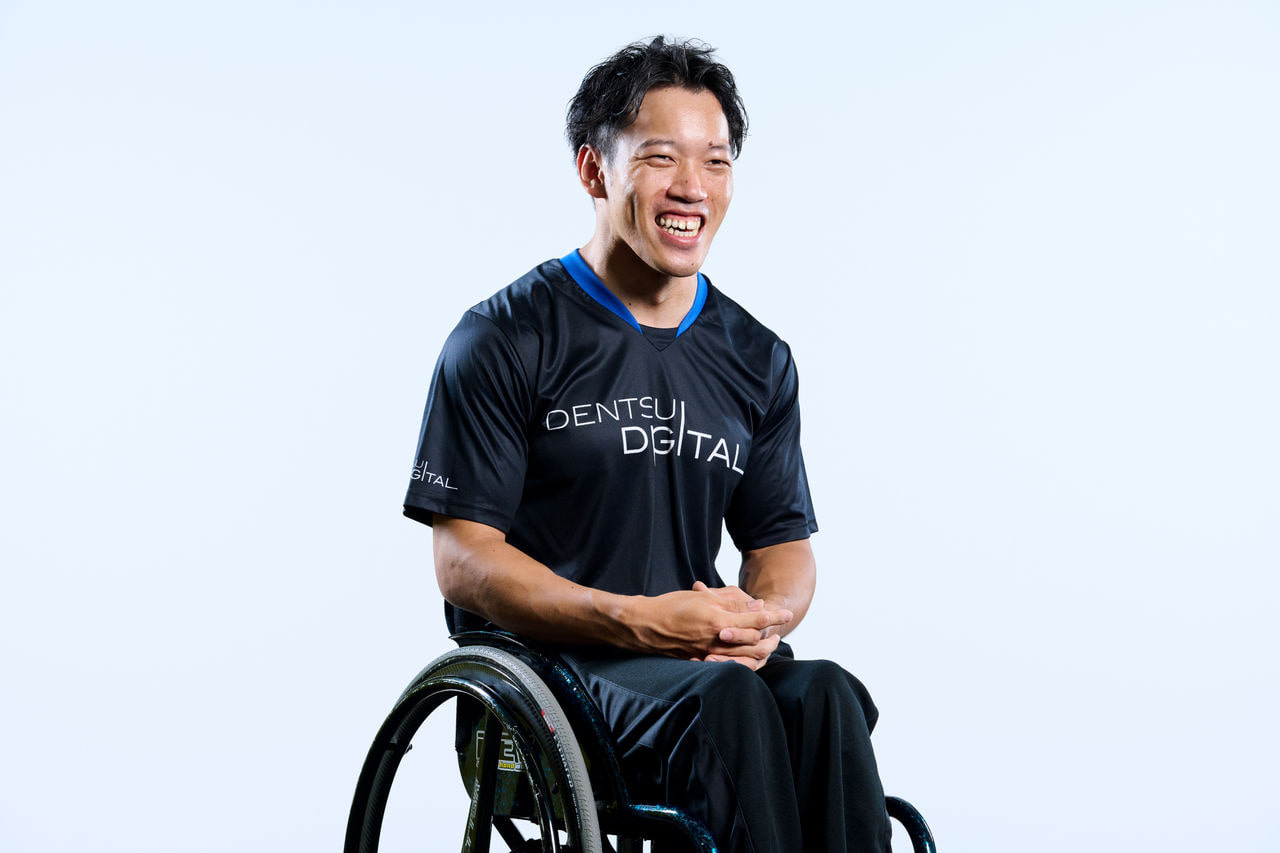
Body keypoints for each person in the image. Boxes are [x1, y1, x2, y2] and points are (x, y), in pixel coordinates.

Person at [404, 36, 891, 853]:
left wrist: (757, 618)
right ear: (595, 171)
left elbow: (783, 546)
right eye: (661, 158)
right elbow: (462, 560)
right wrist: (636, 620)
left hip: (696, 664)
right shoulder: (504, 338)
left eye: (716, 162)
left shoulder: (756, 356)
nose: (692, 187)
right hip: (553, 675)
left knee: (826, 695)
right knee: (728, 706)